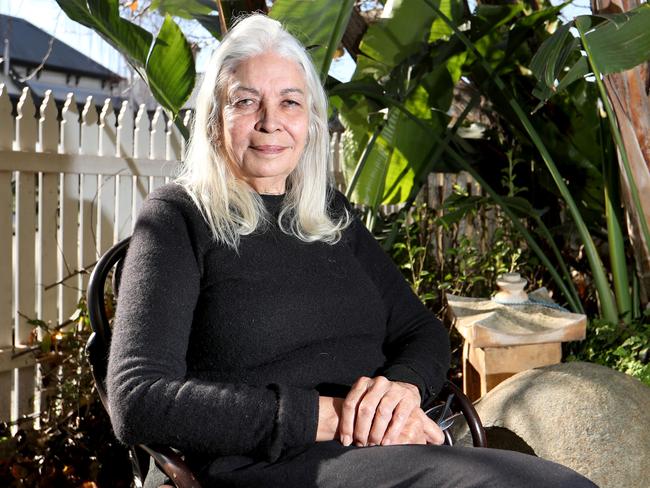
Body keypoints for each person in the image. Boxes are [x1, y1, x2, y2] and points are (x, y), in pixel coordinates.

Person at [107, 13, 597, 488]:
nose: (270, 122)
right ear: (214, 120)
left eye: (291, 103)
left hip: (383, 449)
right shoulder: (177, 217)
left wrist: (398, 393)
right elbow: (138, 399)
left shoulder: (327, 215)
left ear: (312, 121)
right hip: (268, 465)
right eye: (245, 101)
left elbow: (421, 331)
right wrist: (332, 416)